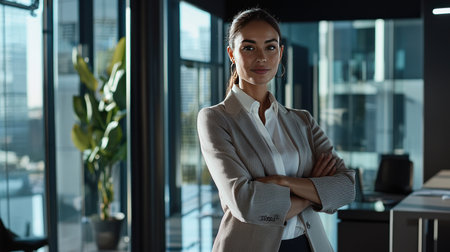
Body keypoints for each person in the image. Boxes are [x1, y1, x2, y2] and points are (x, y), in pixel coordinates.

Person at [197, 8, 355, 252]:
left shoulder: (302, 121)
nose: (261, 57)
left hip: (308, 244)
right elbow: (245, 203)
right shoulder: (215, 119)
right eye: (249, 47)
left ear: (280, 53)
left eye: (270, 47)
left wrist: (281, 181)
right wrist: (311, 191)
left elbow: (346, 187)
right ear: (231, 53)